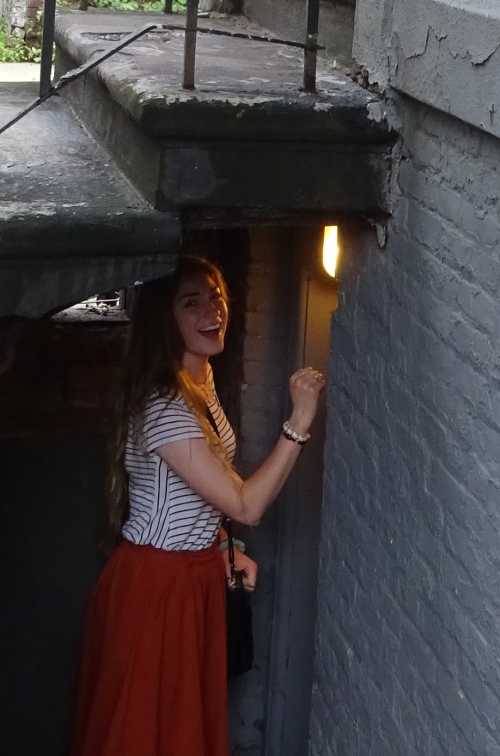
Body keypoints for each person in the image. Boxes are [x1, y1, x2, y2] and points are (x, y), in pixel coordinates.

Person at [71, 256, 326, 756]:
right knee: (148, 735)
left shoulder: (200, 381)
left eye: (216, 296)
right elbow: (246, 505)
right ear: (164, 320)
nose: (213, 311)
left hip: (193, 576)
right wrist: (299, 421)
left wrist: (222, 542)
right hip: (158, 587)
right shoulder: (166, 405)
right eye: (192, 303)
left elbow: (199, 488)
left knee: (179, 727)